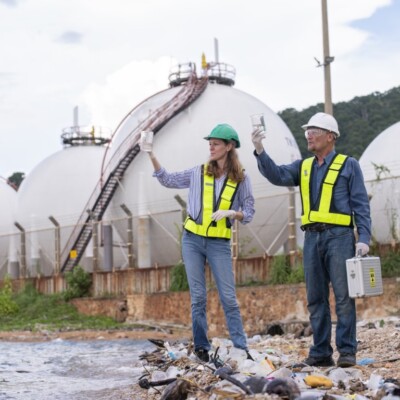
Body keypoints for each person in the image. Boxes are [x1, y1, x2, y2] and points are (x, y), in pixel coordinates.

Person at [251, 112, 371, 368]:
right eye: (307, 131)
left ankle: (347, 352)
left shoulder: (349, 165)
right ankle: (321, 352)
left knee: (343, 297)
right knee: (316, 298)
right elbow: (277, 176)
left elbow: (361, 203)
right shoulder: (303, 167)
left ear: (330, 136)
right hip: (312, 238)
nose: (308, 135)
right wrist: (260, 150)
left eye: (314, 130)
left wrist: (364, 237)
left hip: (340, 237)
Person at [140, 123, 255, 362]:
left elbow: (250, 211)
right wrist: (151, 154)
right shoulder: (198, 172)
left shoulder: (242, 179)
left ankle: (241, 346)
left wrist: (233, 214)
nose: (211, 147)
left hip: (219, 244)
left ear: (229, 146)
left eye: (216, 143)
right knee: (199, 297)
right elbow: (168, 180)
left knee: (228, 296)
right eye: (210, 143)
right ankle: (201, 347)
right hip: (192, 240)